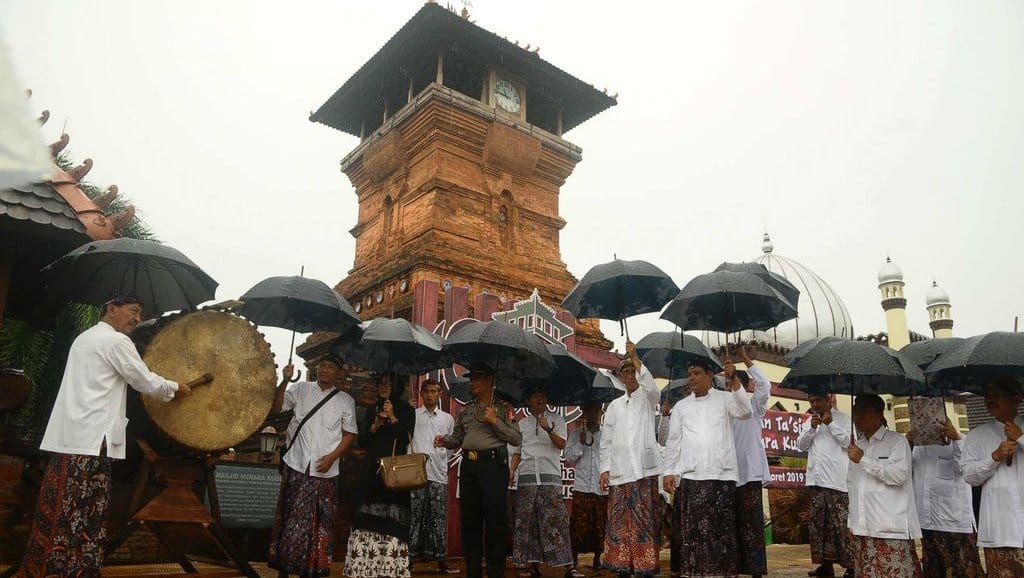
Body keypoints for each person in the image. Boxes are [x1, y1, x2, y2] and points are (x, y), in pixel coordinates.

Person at [19, 294, 187, 578]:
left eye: (140, 313)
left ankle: (45, 568)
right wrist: (175, 387)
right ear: (112, 309)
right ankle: (76, 571)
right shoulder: (116, 341)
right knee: (85, 513)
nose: (137, 319)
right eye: (133, 310)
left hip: (70, 438)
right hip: (94, 440)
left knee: (61, 508)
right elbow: (144, 380)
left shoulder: (83, 338)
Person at [269, 354, 358, 578]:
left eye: (330, 367)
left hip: (325, 471)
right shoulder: (301, 389)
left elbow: (349, 434)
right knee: (290, 518)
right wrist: (284, 380)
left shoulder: (345, 401)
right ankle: (284, 568)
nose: (324, 370)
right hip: (297, 464)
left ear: (339, 374)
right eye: (321, 365)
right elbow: (276, 409)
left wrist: (332, 457)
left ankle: (312, 570)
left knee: (320, 524)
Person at [663, 356, 753, 578]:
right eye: (690, 374)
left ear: (710, 376)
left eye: (697, 373)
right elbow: (673, 441)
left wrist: (735, 380)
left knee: (721, 530)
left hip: (722, 476)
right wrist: (669, 472)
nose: (692, 378)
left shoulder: (725, 399)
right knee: (694, 532)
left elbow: (746, 411)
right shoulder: (681, 407)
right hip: (692, 478)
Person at [434, 365, 522, 578]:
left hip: (493, 467)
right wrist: (444, 441)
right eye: (471, 378)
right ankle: (473, 572)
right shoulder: (466, 410)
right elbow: (457, 438)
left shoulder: (503, 408)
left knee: (495, 523)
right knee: (470, 522)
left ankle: (494, 572)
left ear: (490, 380)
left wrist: (495, 421)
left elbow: (516, 438)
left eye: (477, 378)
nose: (472, 382)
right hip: (469, 467)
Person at [598, 342, 662, 577]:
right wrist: (604, 469)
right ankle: (622, 566)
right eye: (625, 373)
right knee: (619, 522)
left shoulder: (648, 398)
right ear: (621, 377)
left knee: (643, 521)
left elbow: (652, 387)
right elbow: (606, 441)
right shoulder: (614, 406)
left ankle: (644, 567)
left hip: (643, 472)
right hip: (619, 473)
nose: (629, 376)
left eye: (632, 372)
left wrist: (635, 358)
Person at [345, 374, 417, 578]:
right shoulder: (372, 409)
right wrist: (375, 425)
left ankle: (390, 568)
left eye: (388, 384)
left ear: (396, 386)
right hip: (372, 472)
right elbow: (363, 441)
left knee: (392, 521)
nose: (383, 387)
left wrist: (393, 417)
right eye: (381, 384)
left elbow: (405, 439)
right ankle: (365, 567)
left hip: (394, 474)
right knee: (366, 519)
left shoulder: (407, 410)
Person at [846, 393, 922, 577]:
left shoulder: (897, 442)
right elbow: (851, 485)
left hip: (890, 528)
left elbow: (899, 475)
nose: (858, 417)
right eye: (856, 412)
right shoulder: (857, 446)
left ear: (879, 413)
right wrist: (851, 521)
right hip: (863, 528)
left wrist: (864, 460)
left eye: (863, 411)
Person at [960, 376, 1024, 576]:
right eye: (987, 396)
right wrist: (994, 457)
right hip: (1001, 530)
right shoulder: (976, 436)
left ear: (1017, 399)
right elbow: (969, 476)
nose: (990, 400)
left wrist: (1021, 437)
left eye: (997, 395)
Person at [510, 388, 576, 577]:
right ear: (528, 400)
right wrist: (512, 470)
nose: (539, 399)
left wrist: (549, 429)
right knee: (529, 523)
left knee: (557, 521)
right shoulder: (522, 424)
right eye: (535, 396)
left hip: (550, 478)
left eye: (542, 395)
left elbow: (561, 444)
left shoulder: (557, 420)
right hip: (527, 478)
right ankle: (533, 565)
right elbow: (517, 452)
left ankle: (568, 566)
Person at [909, 420, 985, 577]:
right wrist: (907, 444)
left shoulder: (962, 441)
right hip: (927, 521)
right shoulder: (917, 447)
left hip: (955, 523)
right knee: (935, 571)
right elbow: (905, 472)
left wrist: (956, 438)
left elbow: (966, 470)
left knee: (964, 570)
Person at [796, 394, 854, 578]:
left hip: (837, 482)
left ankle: (852, 567)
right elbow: (801, 445)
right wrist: (812, 428)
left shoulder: (843, 418)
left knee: (841, 527)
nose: (814, 404)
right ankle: (825, 566)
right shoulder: (810, 422)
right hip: (816, 481)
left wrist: (831, 424)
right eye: (811, 401)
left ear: (828, 400)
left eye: (818, 400)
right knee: (819, 527)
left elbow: (848, 442)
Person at [730, 346, 772, 578]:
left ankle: (756, 570)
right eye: (728, 383)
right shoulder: (725, 407)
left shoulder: (754, 406)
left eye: (734, 382)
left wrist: (745, 359)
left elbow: (764, 385)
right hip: (729, 474)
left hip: (751, 474)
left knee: (753, 525)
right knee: (732, 524)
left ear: (744, 386)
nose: (730, 387)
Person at [408, 379, 457, 574]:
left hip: (438, 473)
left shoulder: (447, 419)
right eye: (426, 391)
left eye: (434, 391)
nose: (429, 395)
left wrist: (442, 456)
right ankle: (410, 558)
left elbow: (452, 444)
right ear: (421, 393)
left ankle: (441, 559)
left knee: (438, 517)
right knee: (414, 516)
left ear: (439, 394)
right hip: (415, 474)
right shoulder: (412, 415)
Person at [564, 401, 608, 572]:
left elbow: (611, 457)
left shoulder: (607, 435)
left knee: (600, 525)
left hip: (600, 487)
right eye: (590, 412)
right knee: (578, 525)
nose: (593, 416)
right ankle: (573, 559)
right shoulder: (576, 434)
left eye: (596, 412)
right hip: (582, 487)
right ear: (584, 414)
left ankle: (598, 558)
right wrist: (580, 443)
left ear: (601, 414)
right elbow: (569, 458)